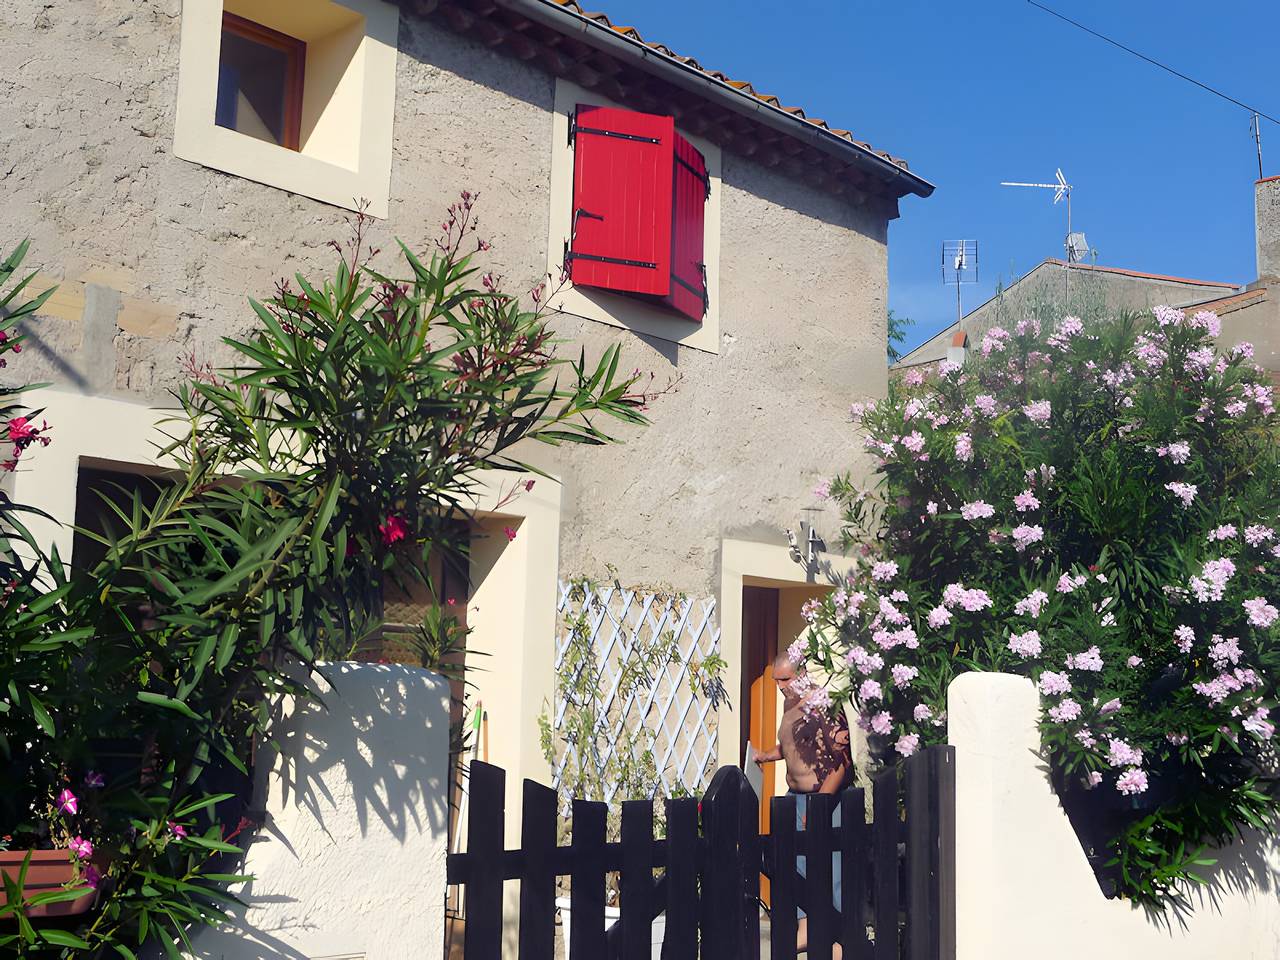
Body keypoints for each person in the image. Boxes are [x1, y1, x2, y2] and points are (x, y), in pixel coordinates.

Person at [754, 651, 851, 956]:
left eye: (786, 679)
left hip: (821, 799)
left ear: (802, 673)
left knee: (830, 867)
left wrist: (821, 802)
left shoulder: (821, 704)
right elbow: (793, 745)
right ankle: (808, 930)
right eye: (776, 681)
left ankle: (837, 941)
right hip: (793, 799)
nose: (781, 686)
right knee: (794, 865)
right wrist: (767, 755)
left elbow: (843, 759)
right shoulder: (788, 704)